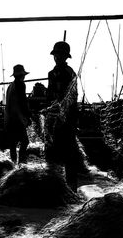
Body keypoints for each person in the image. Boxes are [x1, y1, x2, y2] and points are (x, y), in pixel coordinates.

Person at [45, 41, 80, 192]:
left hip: (67, 119)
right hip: (54, 119)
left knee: (69, 154)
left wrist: (64, 112)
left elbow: (72, 97)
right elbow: (49, 95)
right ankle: (57, 187)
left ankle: (72, 188)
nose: (57, 57)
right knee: (53, 152)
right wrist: (50, 109)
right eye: (56, 55)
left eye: (60, 55)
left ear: (66, 56)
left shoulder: (69, 73)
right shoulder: (51, 74)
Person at [4, 64, 32, 164]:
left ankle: (13, 164)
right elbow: (23, 102)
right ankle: (21, 164)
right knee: (25, 142)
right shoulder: (21, 84)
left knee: (13, 143)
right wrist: (29, 115)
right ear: (22, 75)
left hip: (9, 118)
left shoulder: (10, 86)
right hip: (17, 118)